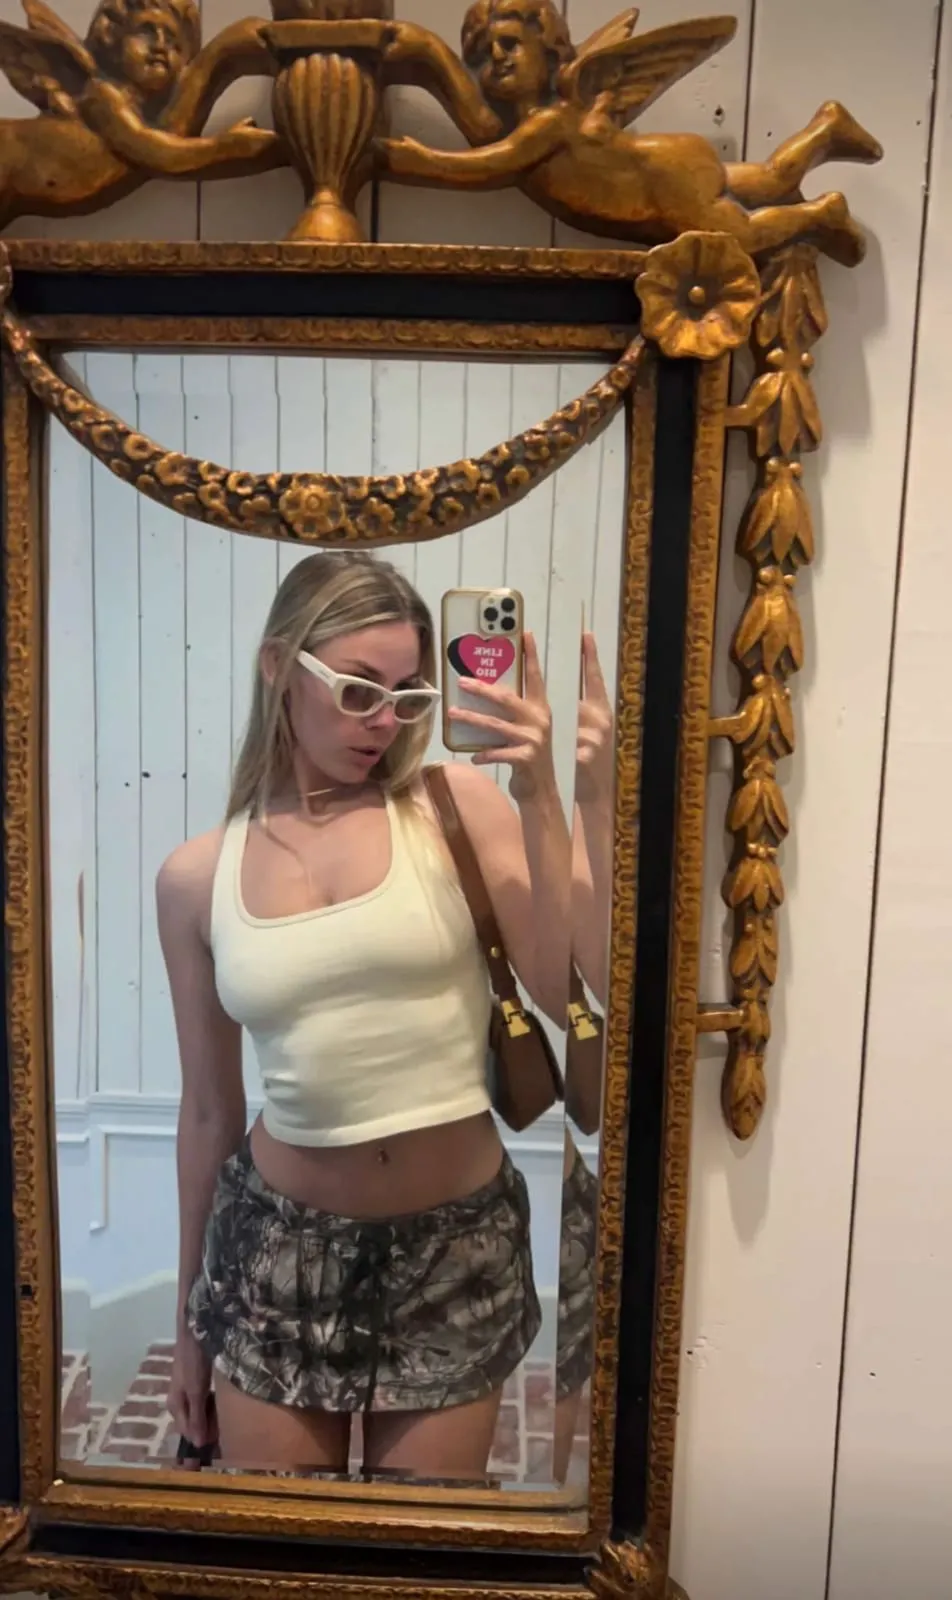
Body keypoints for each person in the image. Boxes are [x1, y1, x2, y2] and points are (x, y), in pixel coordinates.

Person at [157, 550, 573, 1479]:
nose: (385, 720)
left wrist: (543, 793)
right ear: (279, 666)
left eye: (409, 696)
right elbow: (209, 1113)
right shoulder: (195, 879)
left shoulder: (451, 808)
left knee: (418, 1547)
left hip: (454, 1250)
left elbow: (562, 987)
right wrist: (188, 1321)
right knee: (287, 1548)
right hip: (272, 1259)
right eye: (357, 690)